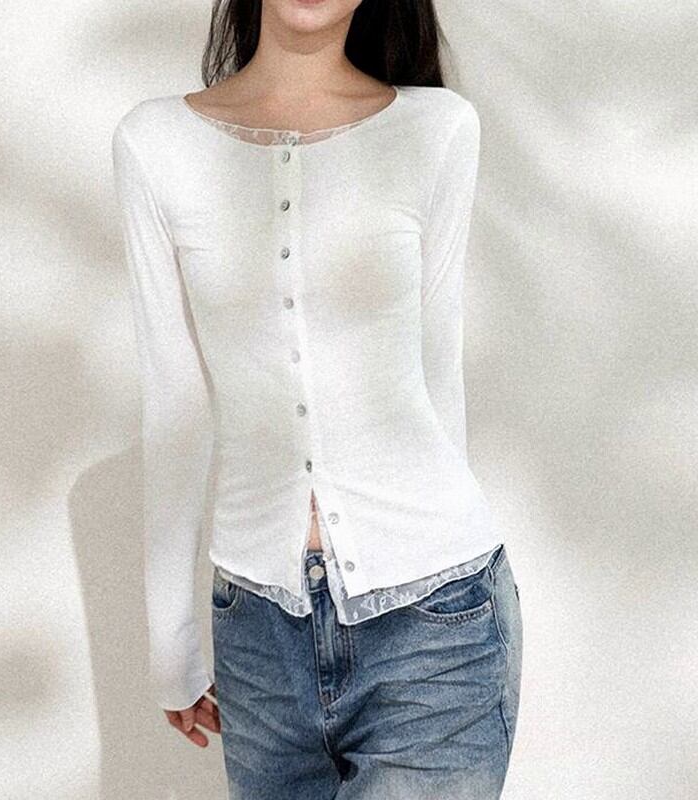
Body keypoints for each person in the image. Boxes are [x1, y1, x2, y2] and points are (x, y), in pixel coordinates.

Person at [112, 1, 523, 797]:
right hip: (256, 638)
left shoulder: (437, 129)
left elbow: (439, 372)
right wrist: (171, 643)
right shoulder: (155, 143)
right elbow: (175, 402)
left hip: (437, 626)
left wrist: (428, 551)